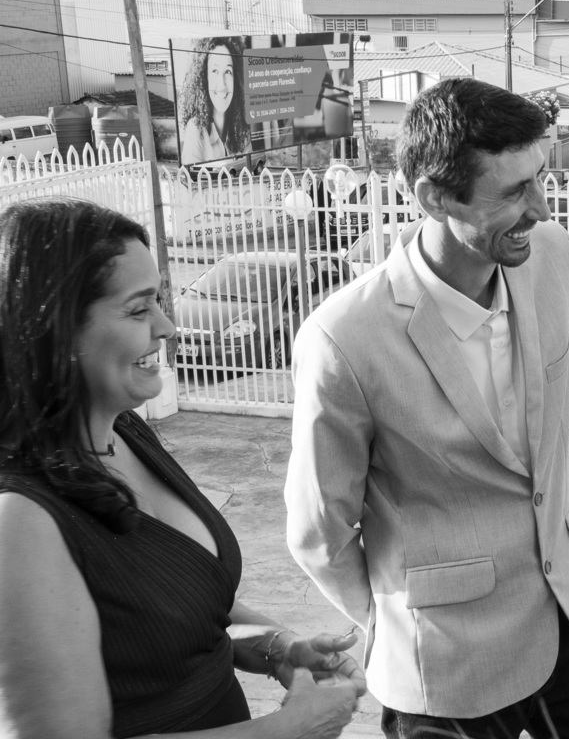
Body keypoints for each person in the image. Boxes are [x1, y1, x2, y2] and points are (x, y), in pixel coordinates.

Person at [285, 78, 569, 739]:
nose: (542, 210)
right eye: (514, 192)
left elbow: (559, 415)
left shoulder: (553, 257)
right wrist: (395, 620)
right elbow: (321, 527)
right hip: (444, 659)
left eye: (539, 180)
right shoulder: (344, 339)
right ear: (433, 196)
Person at [0, 197, 366, 738]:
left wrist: (275, 646)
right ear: (54, 330)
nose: (167, 325)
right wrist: (290, 731)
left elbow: (172, 613)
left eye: (160, 301)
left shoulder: (126, 433)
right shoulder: (18, 523)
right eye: (138, 308)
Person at [178, 36, 252, 166]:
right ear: (204, 77)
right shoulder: (196, 130)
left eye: (228, 72)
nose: (222, 84)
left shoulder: (241, 129)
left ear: (237, 78)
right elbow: (192, 182)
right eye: (214, 71)